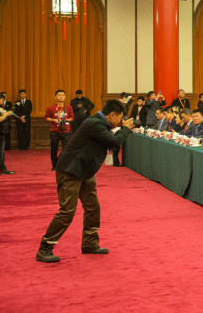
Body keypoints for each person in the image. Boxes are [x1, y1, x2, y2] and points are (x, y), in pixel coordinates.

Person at [35, 99, 135, 262]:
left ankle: (90, 243)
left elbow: (109, 137)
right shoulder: (94, 123)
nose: (120, 121)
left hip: (85, 170)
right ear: (112, 115)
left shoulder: (99, 122)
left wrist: (122, 128)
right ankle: (45, 247)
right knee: (67, 211)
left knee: (92, 206)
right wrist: (126, 128)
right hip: (70, 170)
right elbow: (114, 142)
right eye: (120, 117)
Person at [44, 89, 74, 170]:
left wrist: (66, 120)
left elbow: (72, 118)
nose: (61, 97)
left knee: (66, 149)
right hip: (54, 131)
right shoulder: (51, 108)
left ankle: (60, 164)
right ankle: (54, 165)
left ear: (65, 97)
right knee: (54, 149)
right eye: (59, 95)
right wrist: (54, 120)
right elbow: (46, 118)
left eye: (62, 95)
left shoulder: (68, 107)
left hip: (65, 131)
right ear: (55, 97)